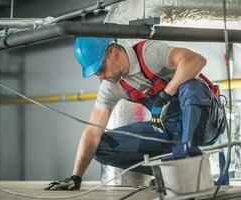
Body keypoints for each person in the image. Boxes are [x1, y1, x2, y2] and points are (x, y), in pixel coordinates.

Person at [44, 37, 225, 190]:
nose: (100, 76)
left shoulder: (148, 53)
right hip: (171, 127)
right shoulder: (110, 87)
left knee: (191, 87)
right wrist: (76, 177)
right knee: (101, 147)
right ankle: (171, 175)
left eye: (100, 69)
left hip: (206, 120)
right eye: (96, 73)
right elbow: (92, 134)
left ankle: (190, 172)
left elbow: (196, 60)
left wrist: (165, 95)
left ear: (114, 53)